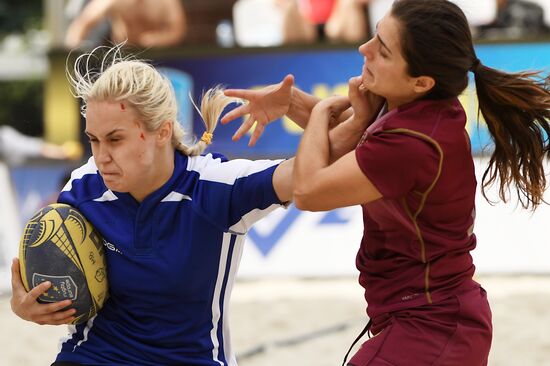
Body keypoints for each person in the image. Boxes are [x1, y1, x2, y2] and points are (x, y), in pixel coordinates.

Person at [221, 0, 550, 364]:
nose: (365, 48)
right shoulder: (417, 103)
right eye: (376, 34)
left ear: (421, 81)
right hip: (432, 317)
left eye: (382, 49)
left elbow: (309, 190)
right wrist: (293, 102)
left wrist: (317, 111)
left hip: (433, 328)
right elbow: (343, 135)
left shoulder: (413, 143)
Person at [8, 44, 363, 365]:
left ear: (163, 132)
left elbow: (317, 166)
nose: (101, 156)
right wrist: (24, 305)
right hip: (94, 357)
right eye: (93, 140)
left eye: (115, 139)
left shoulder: (217, 187)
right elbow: (48, 280)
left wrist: (299, 105)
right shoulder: (84, 185)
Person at [65, 0, 187, 49]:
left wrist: (157, 39)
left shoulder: (165, 2)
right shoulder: (114, 1)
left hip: (158, 58)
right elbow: (83, 22)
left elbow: (178, 29)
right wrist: (69, 51)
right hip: (123, 54)